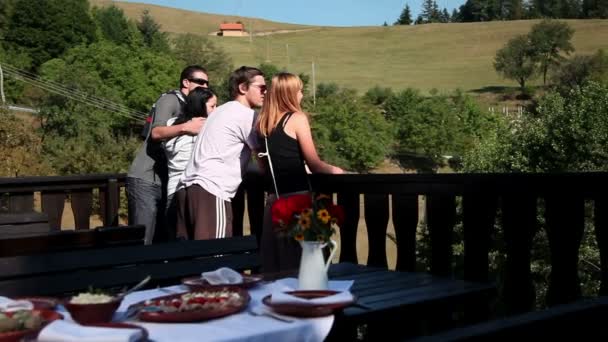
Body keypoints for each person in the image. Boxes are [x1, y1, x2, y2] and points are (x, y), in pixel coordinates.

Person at [256, 72, 344, 273]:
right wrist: (336, 171)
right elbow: (315, 165)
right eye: (299, 91)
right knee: (307, 268)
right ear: (289, 94)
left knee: (277, 267)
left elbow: (265, 166)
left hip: (273, 204)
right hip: (297, 203)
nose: (302, 96)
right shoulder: (296, 118)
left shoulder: (262, 124)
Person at [180, 66, 265, 240]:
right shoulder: (245, 116)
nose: (265, 92)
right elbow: (263, 157)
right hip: (211, 191)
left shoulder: (221, 110)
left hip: (188, 188)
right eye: (261, 88)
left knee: (191, 260)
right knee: (214, 257)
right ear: (242, 88)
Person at [126, 65, 209, 245]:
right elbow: (156, 133)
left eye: (207, 84)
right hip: (145, 179)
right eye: (200, 82)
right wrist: (186, 127)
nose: (204, 87)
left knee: (162, 239)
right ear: (186, 82)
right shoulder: (170, 100)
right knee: (142, 239)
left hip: (166, 181)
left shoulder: (189, 108)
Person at [163, 87, 217, 240]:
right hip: (197, 193)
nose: (216, 110)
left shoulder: (172, 124)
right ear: (200, 106)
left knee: (176, 245)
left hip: (173, 190)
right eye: (212, 106)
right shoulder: (208, 127)